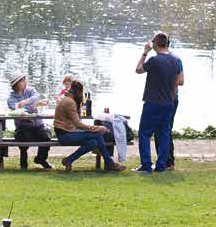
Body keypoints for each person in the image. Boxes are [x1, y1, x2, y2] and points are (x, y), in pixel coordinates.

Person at [134, 32, 184, 174]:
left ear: (155, 43)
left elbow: (138, 70)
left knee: (144, 133)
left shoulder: (154, 60)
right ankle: (161, 165)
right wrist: (171, 96)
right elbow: (179, 81)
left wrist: (144, 52)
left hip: (152, 102)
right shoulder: (176, 60)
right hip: (168, 103)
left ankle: (146, 165)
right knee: (164, 134)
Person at [53, 80, 125, 172]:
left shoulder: (67, 99)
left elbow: (76, 121)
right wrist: (97, 128)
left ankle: (69, 160)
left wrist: (78, 104)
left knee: (93, 143)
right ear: (79, 91)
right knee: (98, 134)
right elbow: (78, 124)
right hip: (65, 135)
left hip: (66, 132)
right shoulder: (69, 102)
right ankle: (109, 163)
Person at [7, 71, 52, 169]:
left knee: (46, 137)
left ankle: (41, 159)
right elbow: (19, 111)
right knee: (24, 138)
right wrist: (34, 105)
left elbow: (36, 97)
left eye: (24, 80)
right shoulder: (11, 98)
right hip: (23, 127)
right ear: (16, 84)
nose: (25, 82)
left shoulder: (31, 90)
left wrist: (25, 102)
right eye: (22, 81)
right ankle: (23, 162)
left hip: (38, 125)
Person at [153, 39, 183, 171]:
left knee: (163, 130)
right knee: (161, 130)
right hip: (166, 99)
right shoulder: (173, 60)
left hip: (167, 99)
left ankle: (167, 161)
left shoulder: (173, 60)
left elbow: (180, 81)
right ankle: (165, 161)